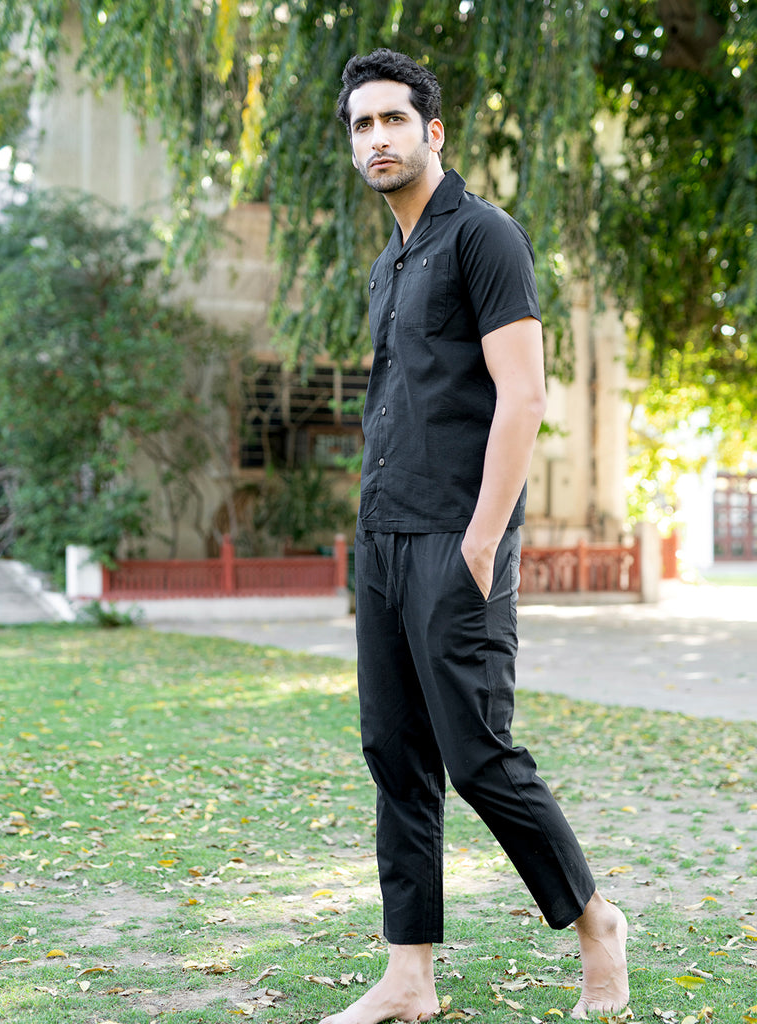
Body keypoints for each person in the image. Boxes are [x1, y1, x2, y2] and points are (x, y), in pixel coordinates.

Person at [322, 48, 629, 1024]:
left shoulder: (484, 236)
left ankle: (596, 926)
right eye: (362, 125)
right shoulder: (390, 262)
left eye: (393, 120)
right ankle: (408, 977)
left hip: (459, 536)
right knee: (394, 753)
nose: (377, 138)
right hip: (384, 537)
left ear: (433, 131)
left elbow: (524, 395)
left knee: (480, 757)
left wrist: (482, 540)